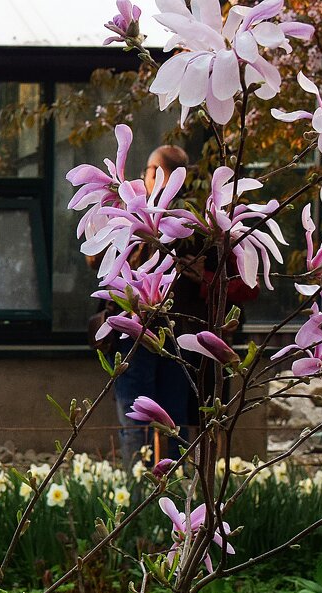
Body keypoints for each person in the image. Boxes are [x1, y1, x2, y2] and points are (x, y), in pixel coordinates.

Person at [110, 145, 256, 459]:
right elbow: (102, 263)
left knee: (158, 419)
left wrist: (202, 275)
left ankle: (156, 486)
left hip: (174, 335)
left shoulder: (195, 227)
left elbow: (243, 285)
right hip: (150, 333)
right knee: (153, 418)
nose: (143, 178)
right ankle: (152, 484)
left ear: (160, 175)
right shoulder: (139, 215)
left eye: (149, 171)